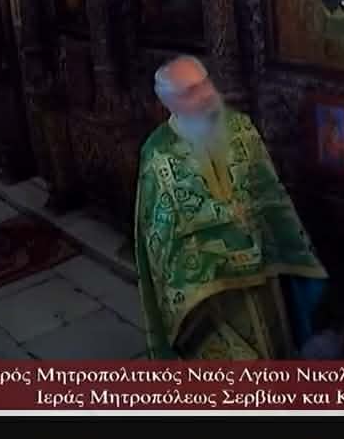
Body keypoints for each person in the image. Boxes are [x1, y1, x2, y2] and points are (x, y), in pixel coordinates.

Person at [136, 56, 332, 360]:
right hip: (212, 289)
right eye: (191, 91)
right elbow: (161, 233)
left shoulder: (240, 127)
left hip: (263, 266)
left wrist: (267, 230)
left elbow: (269, 190)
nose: (205, 95)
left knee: (275, 341)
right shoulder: (158, 152)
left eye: (205, 84)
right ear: (170, 103)